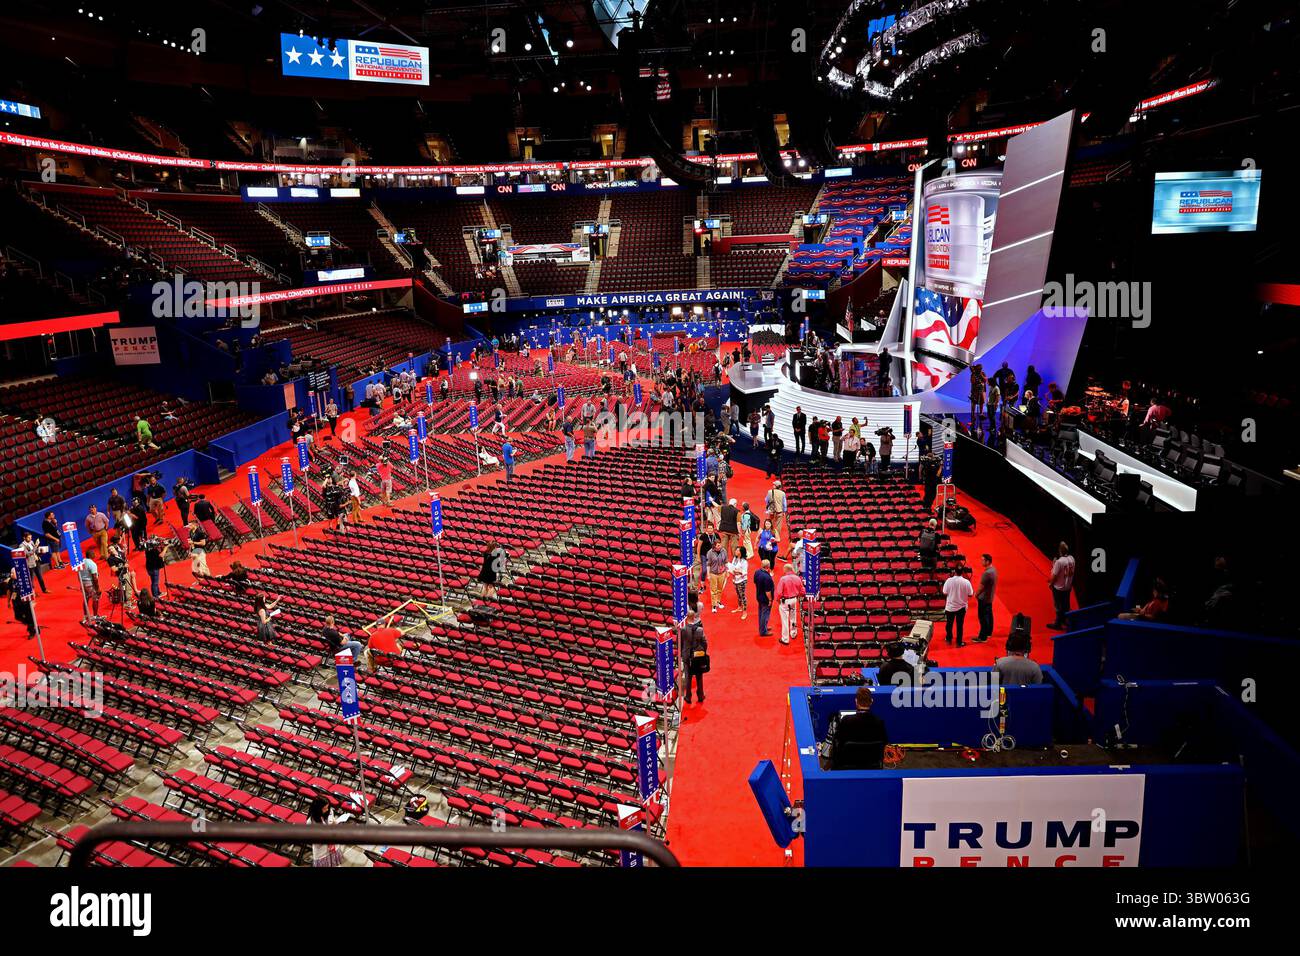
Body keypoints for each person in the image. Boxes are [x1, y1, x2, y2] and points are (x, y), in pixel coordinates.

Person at [828, 686, 888, 770]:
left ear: (856, 701)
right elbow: (884, 742)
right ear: (871, 701)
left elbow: (837, 740)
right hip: (871, 762)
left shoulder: (846, 720)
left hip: (847, 761)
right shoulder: (879, 721)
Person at [774, 562, 806, 645]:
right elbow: (802, 591)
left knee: (785, 620)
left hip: (785, 601)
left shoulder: (783, 579)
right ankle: (793, 633)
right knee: (793, 617)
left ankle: (785, 639)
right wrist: (798, 595)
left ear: (786, 569)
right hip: (794, 600)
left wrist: (777, 600)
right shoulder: (797, 578)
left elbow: (779, 593)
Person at [307, 797, 345, 867]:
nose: (327, 810)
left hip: (333, 846)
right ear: (318, 809)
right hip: (322, 851)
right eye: (324, 808)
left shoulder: (329, 811)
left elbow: (332, 821)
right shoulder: (310, 822)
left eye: (327, 807)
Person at [679, 610, 707, 705]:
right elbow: (705, 643)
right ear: (694, 617)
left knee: (688, 676)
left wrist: (682, 653)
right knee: (699, 676)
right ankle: (700, 695)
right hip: (698, 655)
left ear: (687, 618)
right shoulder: (700, 630)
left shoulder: (682, 629)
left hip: (687, 656)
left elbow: (680, 643)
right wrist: (703, 652)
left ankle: (688, 697)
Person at [942, 565, 974, 647]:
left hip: (950, 607)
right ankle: (959, 642)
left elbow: (944, 592)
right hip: (961, 607)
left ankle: (949, 638)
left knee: (949, 624)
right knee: (960, 625)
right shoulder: (966, 582)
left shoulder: (949, 581)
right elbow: (970, 594)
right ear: (962, 572)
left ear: (954, 571)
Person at [1046, 541, 1075, 630]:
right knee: (1066, 604)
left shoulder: (1059, 562)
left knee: (1058, 605)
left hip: (1059, 587)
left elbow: (1054, 576)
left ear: (1060, 551)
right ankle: (1065, 620)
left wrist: (1051, 584)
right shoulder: (1072, 558)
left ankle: (1058, 623)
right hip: (1068, 586)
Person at [974, 553, 997, 643]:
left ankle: (982, 637)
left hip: (983, 599)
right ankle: (988, 632)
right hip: (989, 597)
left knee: (982, 617)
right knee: (989, 615)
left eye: (982, 560)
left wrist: (976, 594)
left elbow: (981, 587)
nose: (981, 561)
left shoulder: (987, 573)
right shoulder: (994, 570)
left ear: (987, 561)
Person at [705, 538, 729, 612]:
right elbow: (708, 565)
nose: (720, 546)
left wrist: (727, 571)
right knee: (713, 590)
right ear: (714, 546)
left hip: (722, 573)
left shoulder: (724, 551)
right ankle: (714, 605)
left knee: (720, 589)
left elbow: (726, 562)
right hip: (713, 573)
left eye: (720, 545)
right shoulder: (710, 553)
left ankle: (718, 601)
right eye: (718, 545)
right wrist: (708, 575)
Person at [753, 559, 775, 637]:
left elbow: (755, 581)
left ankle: (763, 627)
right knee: (765, 614)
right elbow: (768, 591)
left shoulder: (757, 572)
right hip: (765, 599)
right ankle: (763, 631)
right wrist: (770, 600)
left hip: (759, 595)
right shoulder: (767, 577)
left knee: (761, 613)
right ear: (768, 567)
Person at [728, 547, 749, 621]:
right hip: (735, 579)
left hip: (741, 581)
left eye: (737, 550)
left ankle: (745, 611)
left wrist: (738, 572)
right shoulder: (735, 558)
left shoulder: (744, 562)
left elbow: (745, 572)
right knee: (738, 594)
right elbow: (733, 566)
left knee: (742, 596)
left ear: (741, 552)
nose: (736, 551)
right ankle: (739, 607)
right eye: (736, 549)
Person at [78, 554, 101, 620]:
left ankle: (85, 615)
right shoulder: (92, 564)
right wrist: (97, 588)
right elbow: (95, 578)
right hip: (90, 583)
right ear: (92, 556)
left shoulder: (81, 562)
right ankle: (95, 616)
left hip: (83, 583)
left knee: (86, 599)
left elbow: (78, 573)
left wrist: (81, 583)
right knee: (95, 599)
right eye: (93, 554)